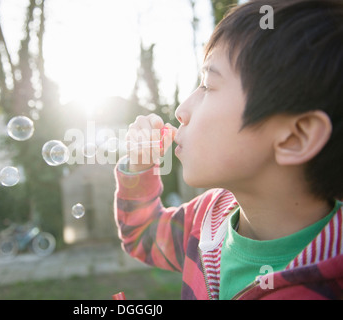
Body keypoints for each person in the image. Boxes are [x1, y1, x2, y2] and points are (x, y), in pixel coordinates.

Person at [114, 0, 343, 300]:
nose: (182, 110)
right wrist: (140, 166)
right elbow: (143, 235)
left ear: (294, 137)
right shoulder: (207, 219)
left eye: (208, 85)